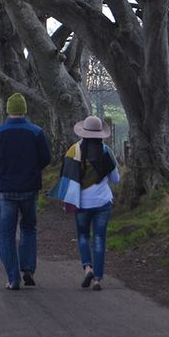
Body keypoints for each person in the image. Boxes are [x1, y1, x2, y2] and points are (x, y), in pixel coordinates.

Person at [0, 92, 52, 290]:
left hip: (7, 189)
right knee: (29, 227)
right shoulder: (36, 132)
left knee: (6, 235)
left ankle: (13, 278)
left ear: (8, 111)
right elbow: (46, 158)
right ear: (24, 110)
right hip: (30, 188)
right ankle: (28, 269)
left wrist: (4, 167)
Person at [47, 115, 120, 291]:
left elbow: (65, 176)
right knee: (100, 239)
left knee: (83, 236)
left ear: (84, 132)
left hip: (81, 203)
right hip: (102, 202)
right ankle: (98, 279)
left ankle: (88, 267)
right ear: (101, 134)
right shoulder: (106, 152)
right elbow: (116, 179)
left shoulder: (73, 151)